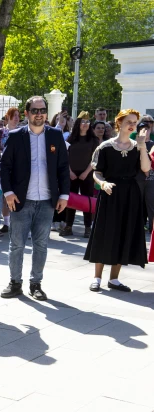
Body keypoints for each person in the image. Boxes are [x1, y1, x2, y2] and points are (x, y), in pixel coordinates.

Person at [0, 96, 70, 301]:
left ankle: (36, 284)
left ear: (46, 113)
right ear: (27, 113)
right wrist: (8, 192)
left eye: (42, 110)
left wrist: (64, 194)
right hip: (21, 200)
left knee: (41, 244)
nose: (39, 114)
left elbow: (64, 168)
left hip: (47, 200)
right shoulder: (15, 136)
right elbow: (5, 167)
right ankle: (15, 283)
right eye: (35, 110)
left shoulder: (56, 136)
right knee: (17, 245)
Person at [85, 109, 150, 292]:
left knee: (124, 232)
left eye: (135, 123)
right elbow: (97, 173)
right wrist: (103, 183)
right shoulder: (105, 147)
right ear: (119, 123)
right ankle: (97, 278)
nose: (132, 125)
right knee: (104, 233)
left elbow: (145, 169)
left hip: (130, 195)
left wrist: (142, 145)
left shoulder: (138, 147)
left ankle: (114, 279)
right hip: (110, 194)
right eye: (129, 121)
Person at [62, 111, 98, 238]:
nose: (85, 124)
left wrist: (86, 172)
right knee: (70, 200)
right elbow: (64, 156)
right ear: (78, 124)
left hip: (86, 174)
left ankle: (88, 227)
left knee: (87, 201)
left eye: (87, 122)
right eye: (83, 121)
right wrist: (70, 171)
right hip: (71, 174)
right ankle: (68, 226)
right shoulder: (71, 138)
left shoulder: (93, 140)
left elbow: (95, 159)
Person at [0, 107, 20, 234]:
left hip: (17, 167)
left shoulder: (22, 131)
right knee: (5, 194)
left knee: (16, 194)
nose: (16, 118)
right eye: (14, 115)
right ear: (8, 117)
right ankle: (6, 222)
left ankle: (15, 222)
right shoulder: (1, 132)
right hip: (4, 166)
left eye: (18, 115)